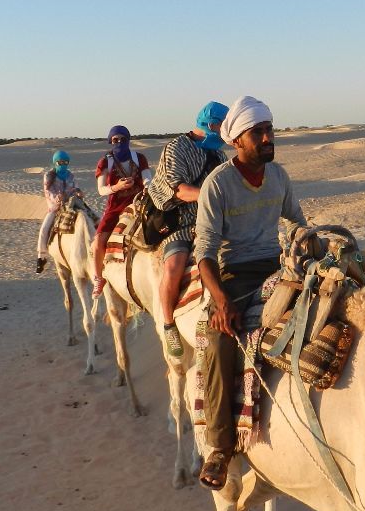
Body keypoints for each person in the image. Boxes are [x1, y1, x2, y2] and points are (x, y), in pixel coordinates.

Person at [194, 96, 307, 490]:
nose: (266, 138)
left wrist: (307, 240)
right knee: (219, 340)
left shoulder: (279, 176)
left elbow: (295, 222)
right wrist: (221, 302)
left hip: (277, 264)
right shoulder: (218, 185)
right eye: (257, 132)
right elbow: (204, 254)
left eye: (269, 130)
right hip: (234, 272)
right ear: (237, 141)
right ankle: (220, 446)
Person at [146, 100, 229, 357]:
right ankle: (168, 323)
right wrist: (211, 194)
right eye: (224, 127)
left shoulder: (218, 154)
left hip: (212, 220)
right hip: (181, 221)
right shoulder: (177, 148)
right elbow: (177, 189)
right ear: (212, 124)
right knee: (173, 267)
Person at [92, 124, 151, 297]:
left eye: (122, 139)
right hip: (115, 207)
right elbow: (101, 190)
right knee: (97, 243)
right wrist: (117, 186)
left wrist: (147, 187)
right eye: (115, 139)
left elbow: (148, 179)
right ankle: (98, 278)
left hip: (139, 202)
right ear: (110, 141)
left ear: (128, 140)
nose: (119, 142)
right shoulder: (105, 162)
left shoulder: (140, 158)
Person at [35, 149, 83, 274]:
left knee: (91, 217)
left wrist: (78, 192)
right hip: (55, 207)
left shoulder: (70, 175)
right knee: (45, 228)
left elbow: (75, 187)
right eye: (60, 162)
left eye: (65, 162)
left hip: (71, 204)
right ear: (55, 162)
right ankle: (41, 257)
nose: (63, 165)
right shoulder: (49, 176)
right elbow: (48, 191)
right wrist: (57, 198)